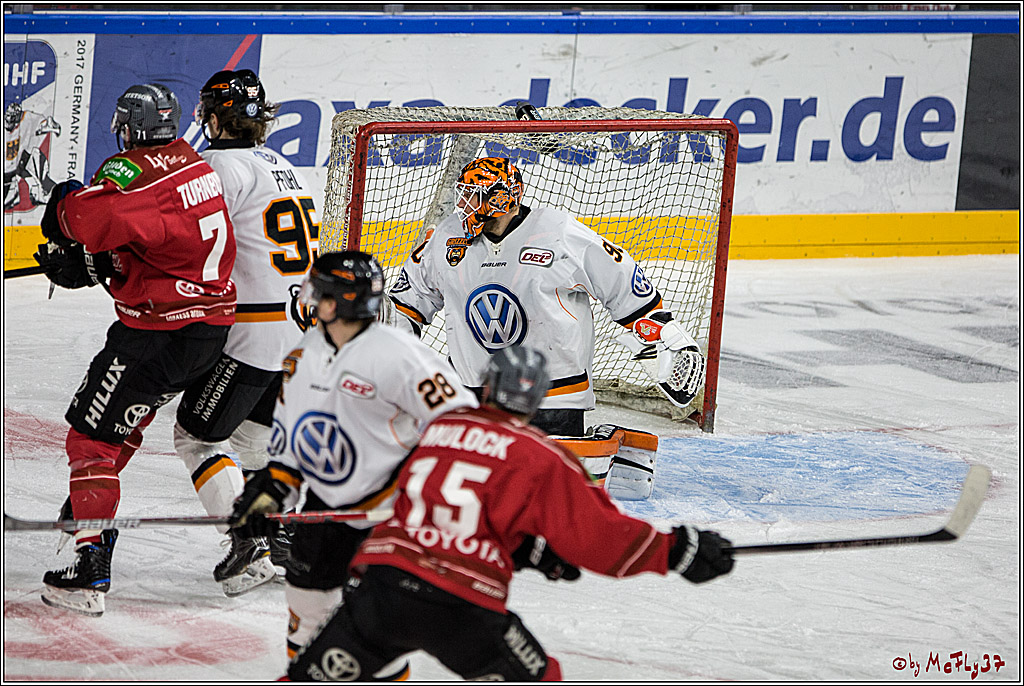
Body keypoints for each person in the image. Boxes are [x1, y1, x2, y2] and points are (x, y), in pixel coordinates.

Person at [282, 345, 735, 681]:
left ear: (489, 385)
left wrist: (526, 550)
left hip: (381, 589)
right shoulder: (541, 455)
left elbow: (419, 505)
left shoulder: (440, 428)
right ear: (537, 398)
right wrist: (676, 551)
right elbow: (598, 538)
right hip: (462, 604)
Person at [387, 155, 707, 499]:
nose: (465, 204)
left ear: (503, 198)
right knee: (471, 496)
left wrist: (660, 330)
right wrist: (384, 337)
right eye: (463, 194)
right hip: (472, 394)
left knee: (550, 499)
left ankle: (605, 454)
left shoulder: (557, 231)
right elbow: (410, 299)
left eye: (476, 195)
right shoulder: (446, 237)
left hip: (554, 395)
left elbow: (620, 280)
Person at [35, 83, 237, 617]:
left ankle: (89, 564)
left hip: (155, 336)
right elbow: (156, 238)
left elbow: (82, 218)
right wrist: (107, 266)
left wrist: (62, 202)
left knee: (89, 441)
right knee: (123, 423)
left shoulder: (133, 172)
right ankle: (89, 502)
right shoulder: (195, 163)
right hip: (209, 332)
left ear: (129, 126)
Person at [226, 250, 479, 671]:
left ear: (336, 302)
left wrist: (418, 484)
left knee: (377, 635)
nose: (310, 300)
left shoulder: (398, 355)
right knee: (306, 619)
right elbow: (293, 444)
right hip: (325, 512)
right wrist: (269, 489)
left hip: (389, 519)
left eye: (319, 293)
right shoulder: (302, 356)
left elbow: (464, 424)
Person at [4, 99, 61, 210]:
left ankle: (40, 192)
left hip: (25, 154)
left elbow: (44, 122)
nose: (9, 120)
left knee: (27, 170)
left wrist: (49, 125)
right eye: (8, 116)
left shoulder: (28, 117)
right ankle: (19, 194)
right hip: (10, 165)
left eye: (12, 117)